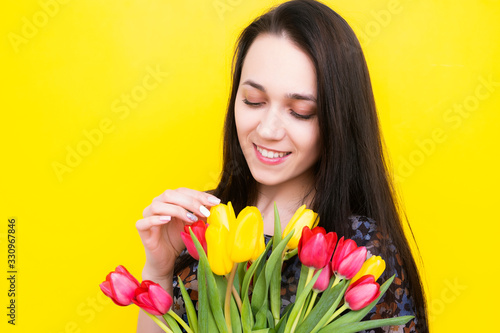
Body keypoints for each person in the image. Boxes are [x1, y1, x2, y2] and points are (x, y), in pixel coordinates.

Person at [136, 0, 428, 332]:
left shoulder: (360, 250)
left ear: (338, 120)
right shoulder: (202, 225)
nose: (267, 130)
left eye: (300, 111)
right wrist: (158, 272)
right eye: (253, 101)